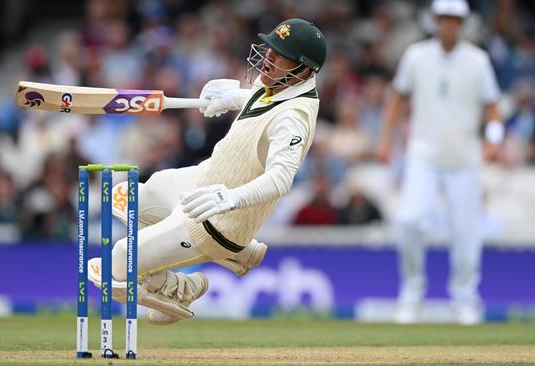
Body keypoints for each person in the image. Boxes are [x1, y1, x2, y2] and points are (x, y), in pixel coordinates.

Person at [87, 18, 326, 325]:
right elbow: (257, 100)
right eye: (271, 49)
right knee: (127, 198)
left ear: (303, 70)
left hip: (216, 220)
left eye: (280, 55)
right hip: (201, 181)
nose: (268, 58)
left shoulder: (293, 118)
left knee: (119, 262)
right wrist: (232, 97)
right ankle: (236, 254)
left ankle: (183, 287)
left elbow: (280, 179)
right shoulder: (278, 84)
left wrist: (230, 198)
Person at [377, 0, 503, 325]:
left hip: (464, 159)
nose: (449, 26)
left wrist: (493, 139)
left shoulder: (478, 61)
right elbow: (398, 99)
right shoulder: (416, 56)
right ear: (434, 21)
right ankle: (411, 294)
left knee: (466, 233)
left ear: (463, 23)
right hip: (423, 156)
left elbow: (492, 107)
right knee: (408, 220)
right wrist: (386, 140)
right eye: (444, 19)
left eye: (455, 20)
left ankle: (465, 300)